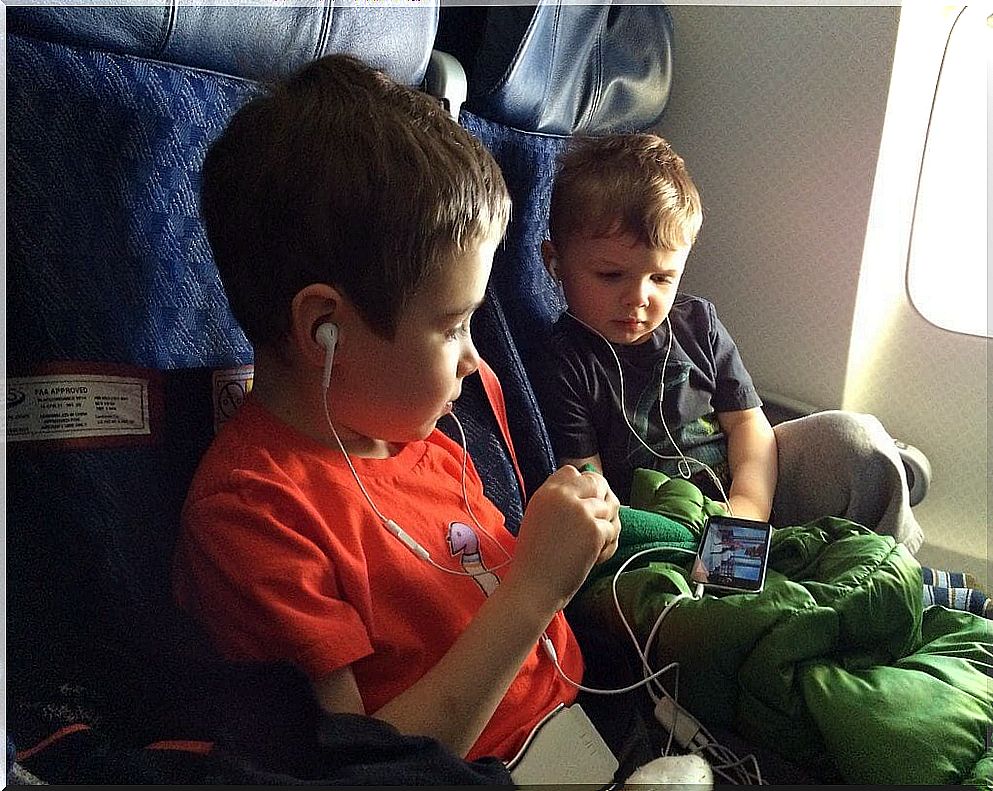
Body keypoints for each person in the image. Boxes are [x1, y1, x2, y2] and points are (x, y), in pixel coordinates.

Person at [171, 54, 624, 767]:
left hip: (578, 733)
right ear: (327, 329)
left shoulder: (413, 439)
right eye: (452, 327)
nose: (475, 360)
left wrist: (567, 544)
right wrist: (533, 590)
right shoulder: (255, 512)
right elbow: (363, 768)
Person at [536, 133, 924, 551]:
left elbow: (746, 423)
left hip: (748, 491)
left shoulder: (697, 323)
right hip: (670, 528)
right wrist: (697, 537)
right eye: (611, 276)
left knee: (855, 439)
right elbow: (591, 488)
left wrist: (747, 510)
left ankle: (895, 565)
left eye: (662, 278)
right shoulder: (563, 363)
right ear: (555, 263)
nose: (639, 298)